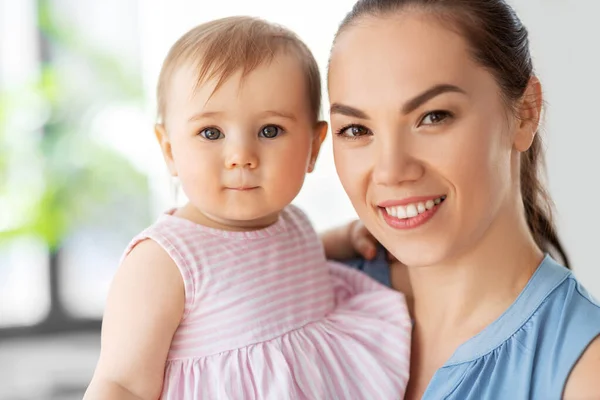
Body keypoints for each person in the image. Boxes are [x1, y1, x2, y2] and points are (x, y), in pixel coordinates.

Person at [83, 16, 412, 400]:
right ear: (170, 150)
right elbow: (121, 383)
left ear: (313, 146)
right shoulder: (162, 261)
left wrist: (341, 239)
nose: (241, 156)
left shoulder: (292, 222)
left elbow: (266, 265)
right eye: (211, 133)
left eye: (269, 131)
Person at [324, 0, 600, 398]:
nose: (390, 170)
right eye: (355, 129)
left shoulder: (584, 372)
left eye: (433, 116)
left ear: (525, 113)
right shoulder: (321, 296)